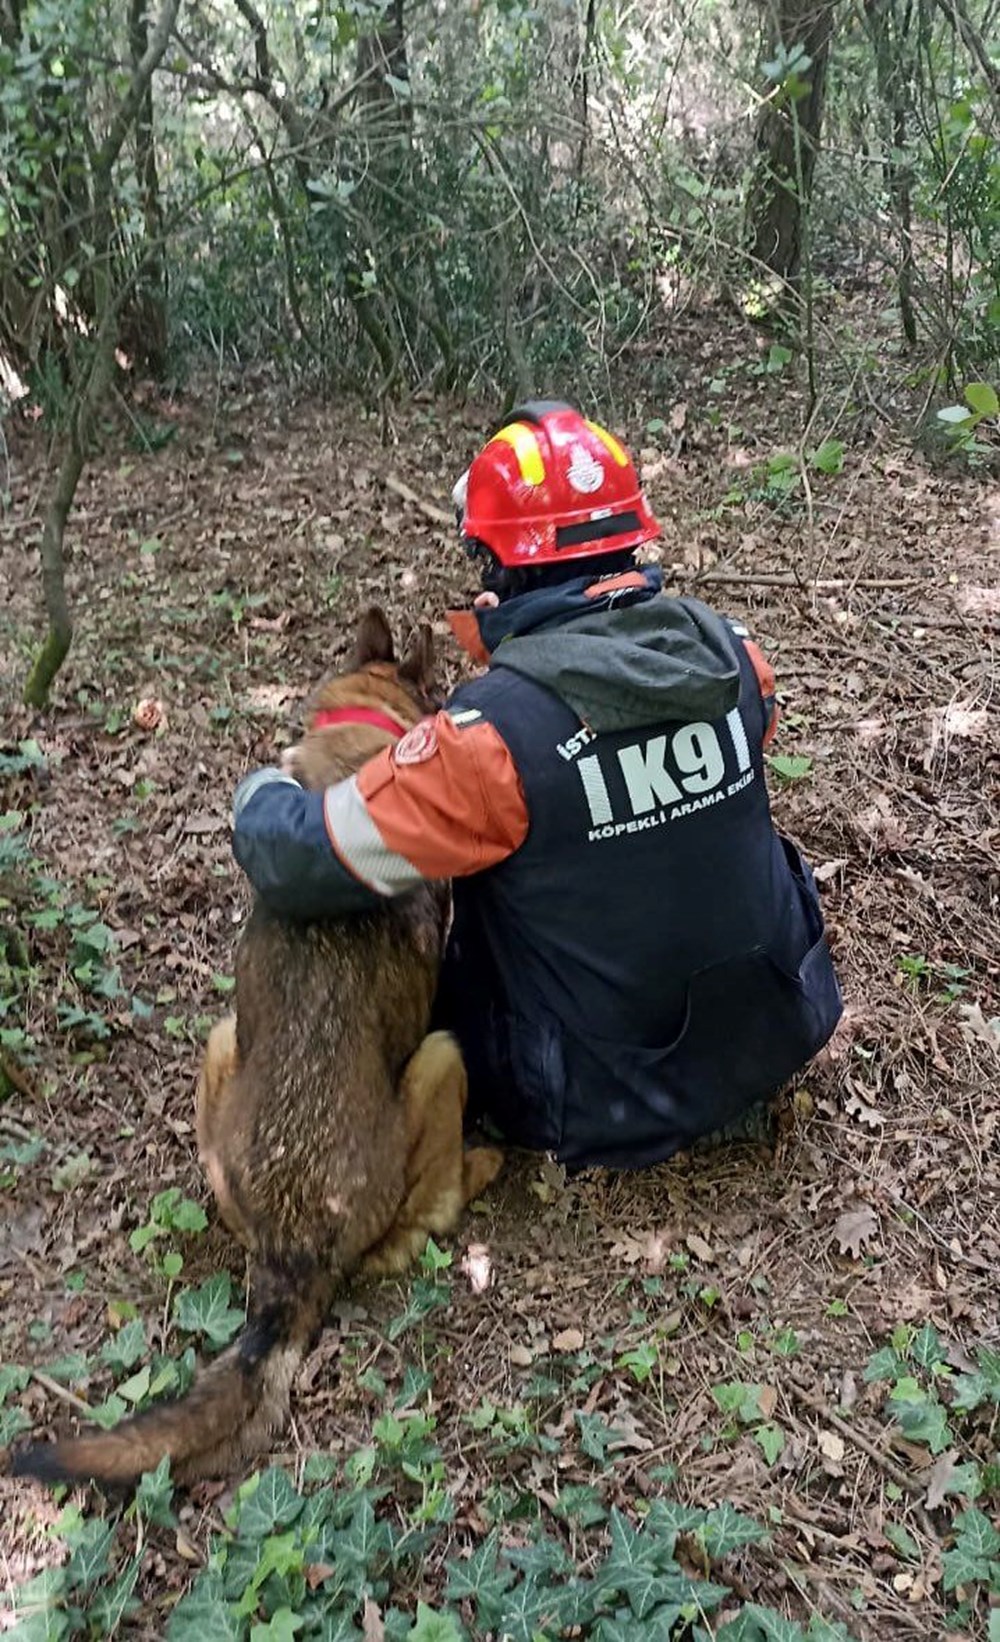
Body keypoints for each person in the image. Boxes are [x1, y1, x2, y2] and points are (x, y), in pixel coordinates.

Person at [231, 401, 842, 1170]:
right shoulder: (734, 656)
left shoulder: (491, 739)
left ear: (505, 569)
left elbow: (306, 860)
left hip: (596, 1099)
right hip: (781, 1023)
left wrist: (263, 792)